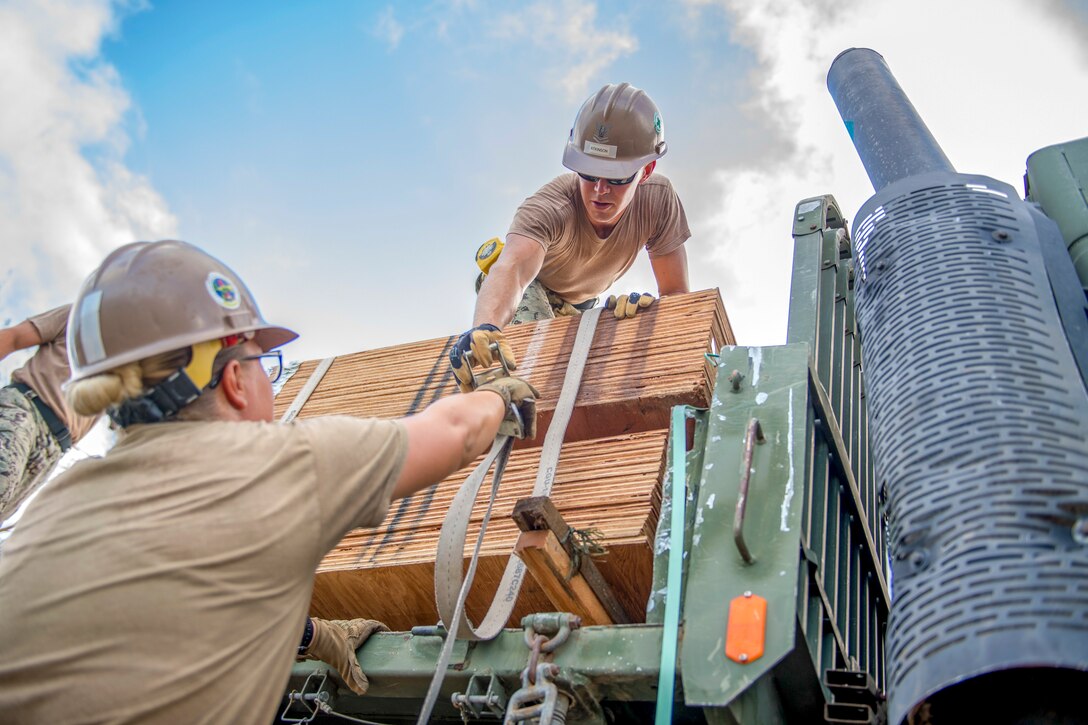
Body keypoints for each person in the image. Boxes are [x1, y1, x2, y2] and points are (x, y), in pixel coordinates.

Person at [0, 240, 538, 724]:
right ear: (235, 381)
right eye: (267, 364)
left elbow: (159, 615)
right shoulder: (274, 464)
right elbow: (459, 431)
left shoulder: (54, 509)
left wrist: (308, 635)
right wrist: (498, 391)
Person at [450, 81, 691, 391]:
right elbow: (513, 269)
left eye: (616, 178)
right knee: (544, 362)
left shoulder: (658, 201)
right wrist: (485, 329)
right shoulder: (552, 206)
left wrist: (648, 320)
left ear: (646, 171)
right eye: (588, 173)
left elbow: (677, 300)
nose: (599, 190)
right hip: (531, 290)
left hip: (581, 307)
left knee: (597, 363)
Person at [0, 304, 100, 523]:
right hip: (25, 410)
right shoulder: (85, 311)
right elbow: (14, 337)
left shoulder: (138, 361)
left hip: (52, 450)